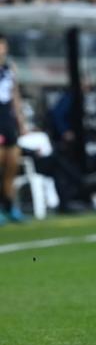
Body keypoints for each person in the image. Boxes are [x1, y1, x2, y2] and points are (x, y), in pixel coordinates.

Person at [0, 33, 26, 225]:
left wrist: (21, 123)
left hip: (8, 121)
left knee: (12, 166)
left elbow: (15, 97)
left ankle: (10, 206)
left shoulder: (10, 69)